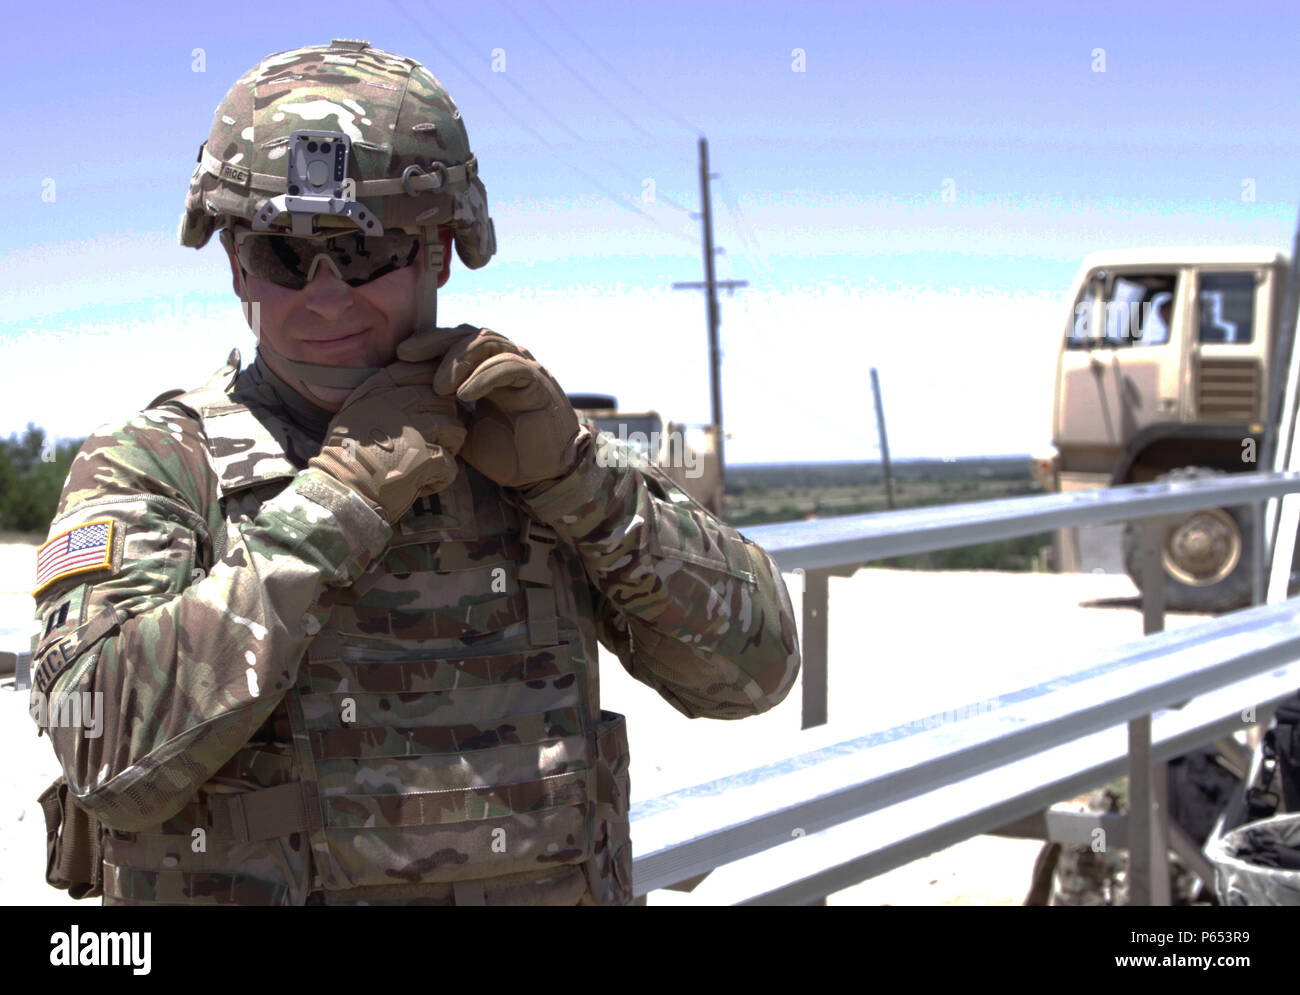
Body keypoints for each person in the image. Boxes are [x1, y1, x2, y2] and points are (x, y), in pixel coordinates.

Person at [28, 39, 801, 906]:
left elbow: (758, 669)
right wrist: (337, 502)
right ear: (236, 261)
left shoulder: (522, 438)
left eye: (363, 252)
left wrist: (586, 484)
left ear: (438, 250)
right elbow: (102, 754)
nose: (325, 294)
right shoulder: (157, 465)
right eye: (284, 253)